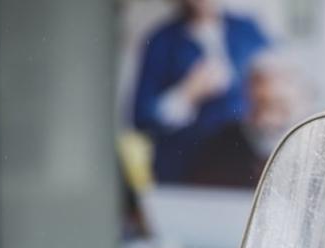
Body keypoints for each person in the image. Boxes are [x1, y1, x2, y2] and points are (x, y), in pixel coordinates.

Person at [130, 0, 269, 184]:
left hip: (241, 166)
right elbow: (142, 117)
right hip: (183, 169)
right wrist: (187, 93)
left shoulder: (247, 31)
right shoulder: (162, 41)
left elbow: (275, 78)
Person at [185, 48, 311, 188]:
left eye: (280, 108)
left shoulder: (317, 145)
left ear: (304, 103)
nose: (268, 120)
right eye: (260, 107)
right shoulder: (223, 142)